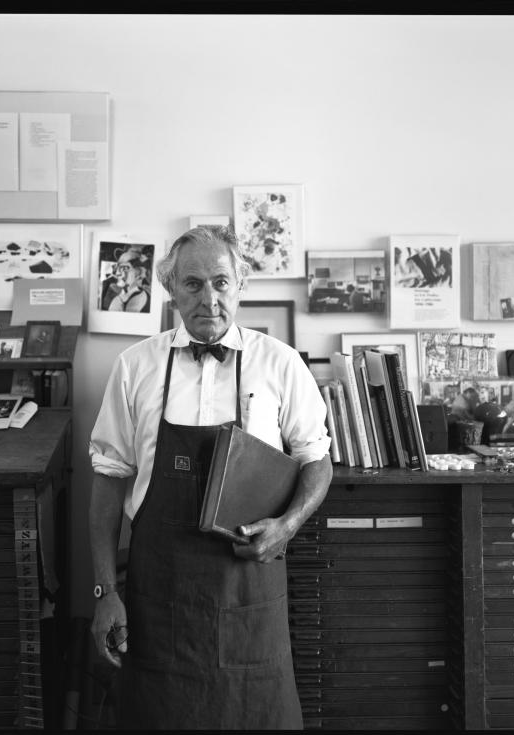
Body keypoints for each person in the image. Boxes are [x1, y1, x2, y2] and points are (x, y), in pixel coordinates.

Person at [88, 224, 332, 730]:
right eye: (193, 284)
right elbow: (110, 480)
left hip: (249, 585)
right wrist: (103, 591)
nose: (209, 298)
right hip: (160, 591)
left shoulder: (280, 364)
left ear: (240, 286)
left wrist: (286, 526)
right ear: (170, 289)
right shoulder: (135, 367)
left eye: (221, 283)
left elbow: (317, 460)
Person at [106, 246, 152, 312]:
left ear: (139, 272)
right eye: (119, 267)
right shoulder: (123, 296)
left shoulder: (138, 299)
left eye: (124, 268)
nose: (119, 273)